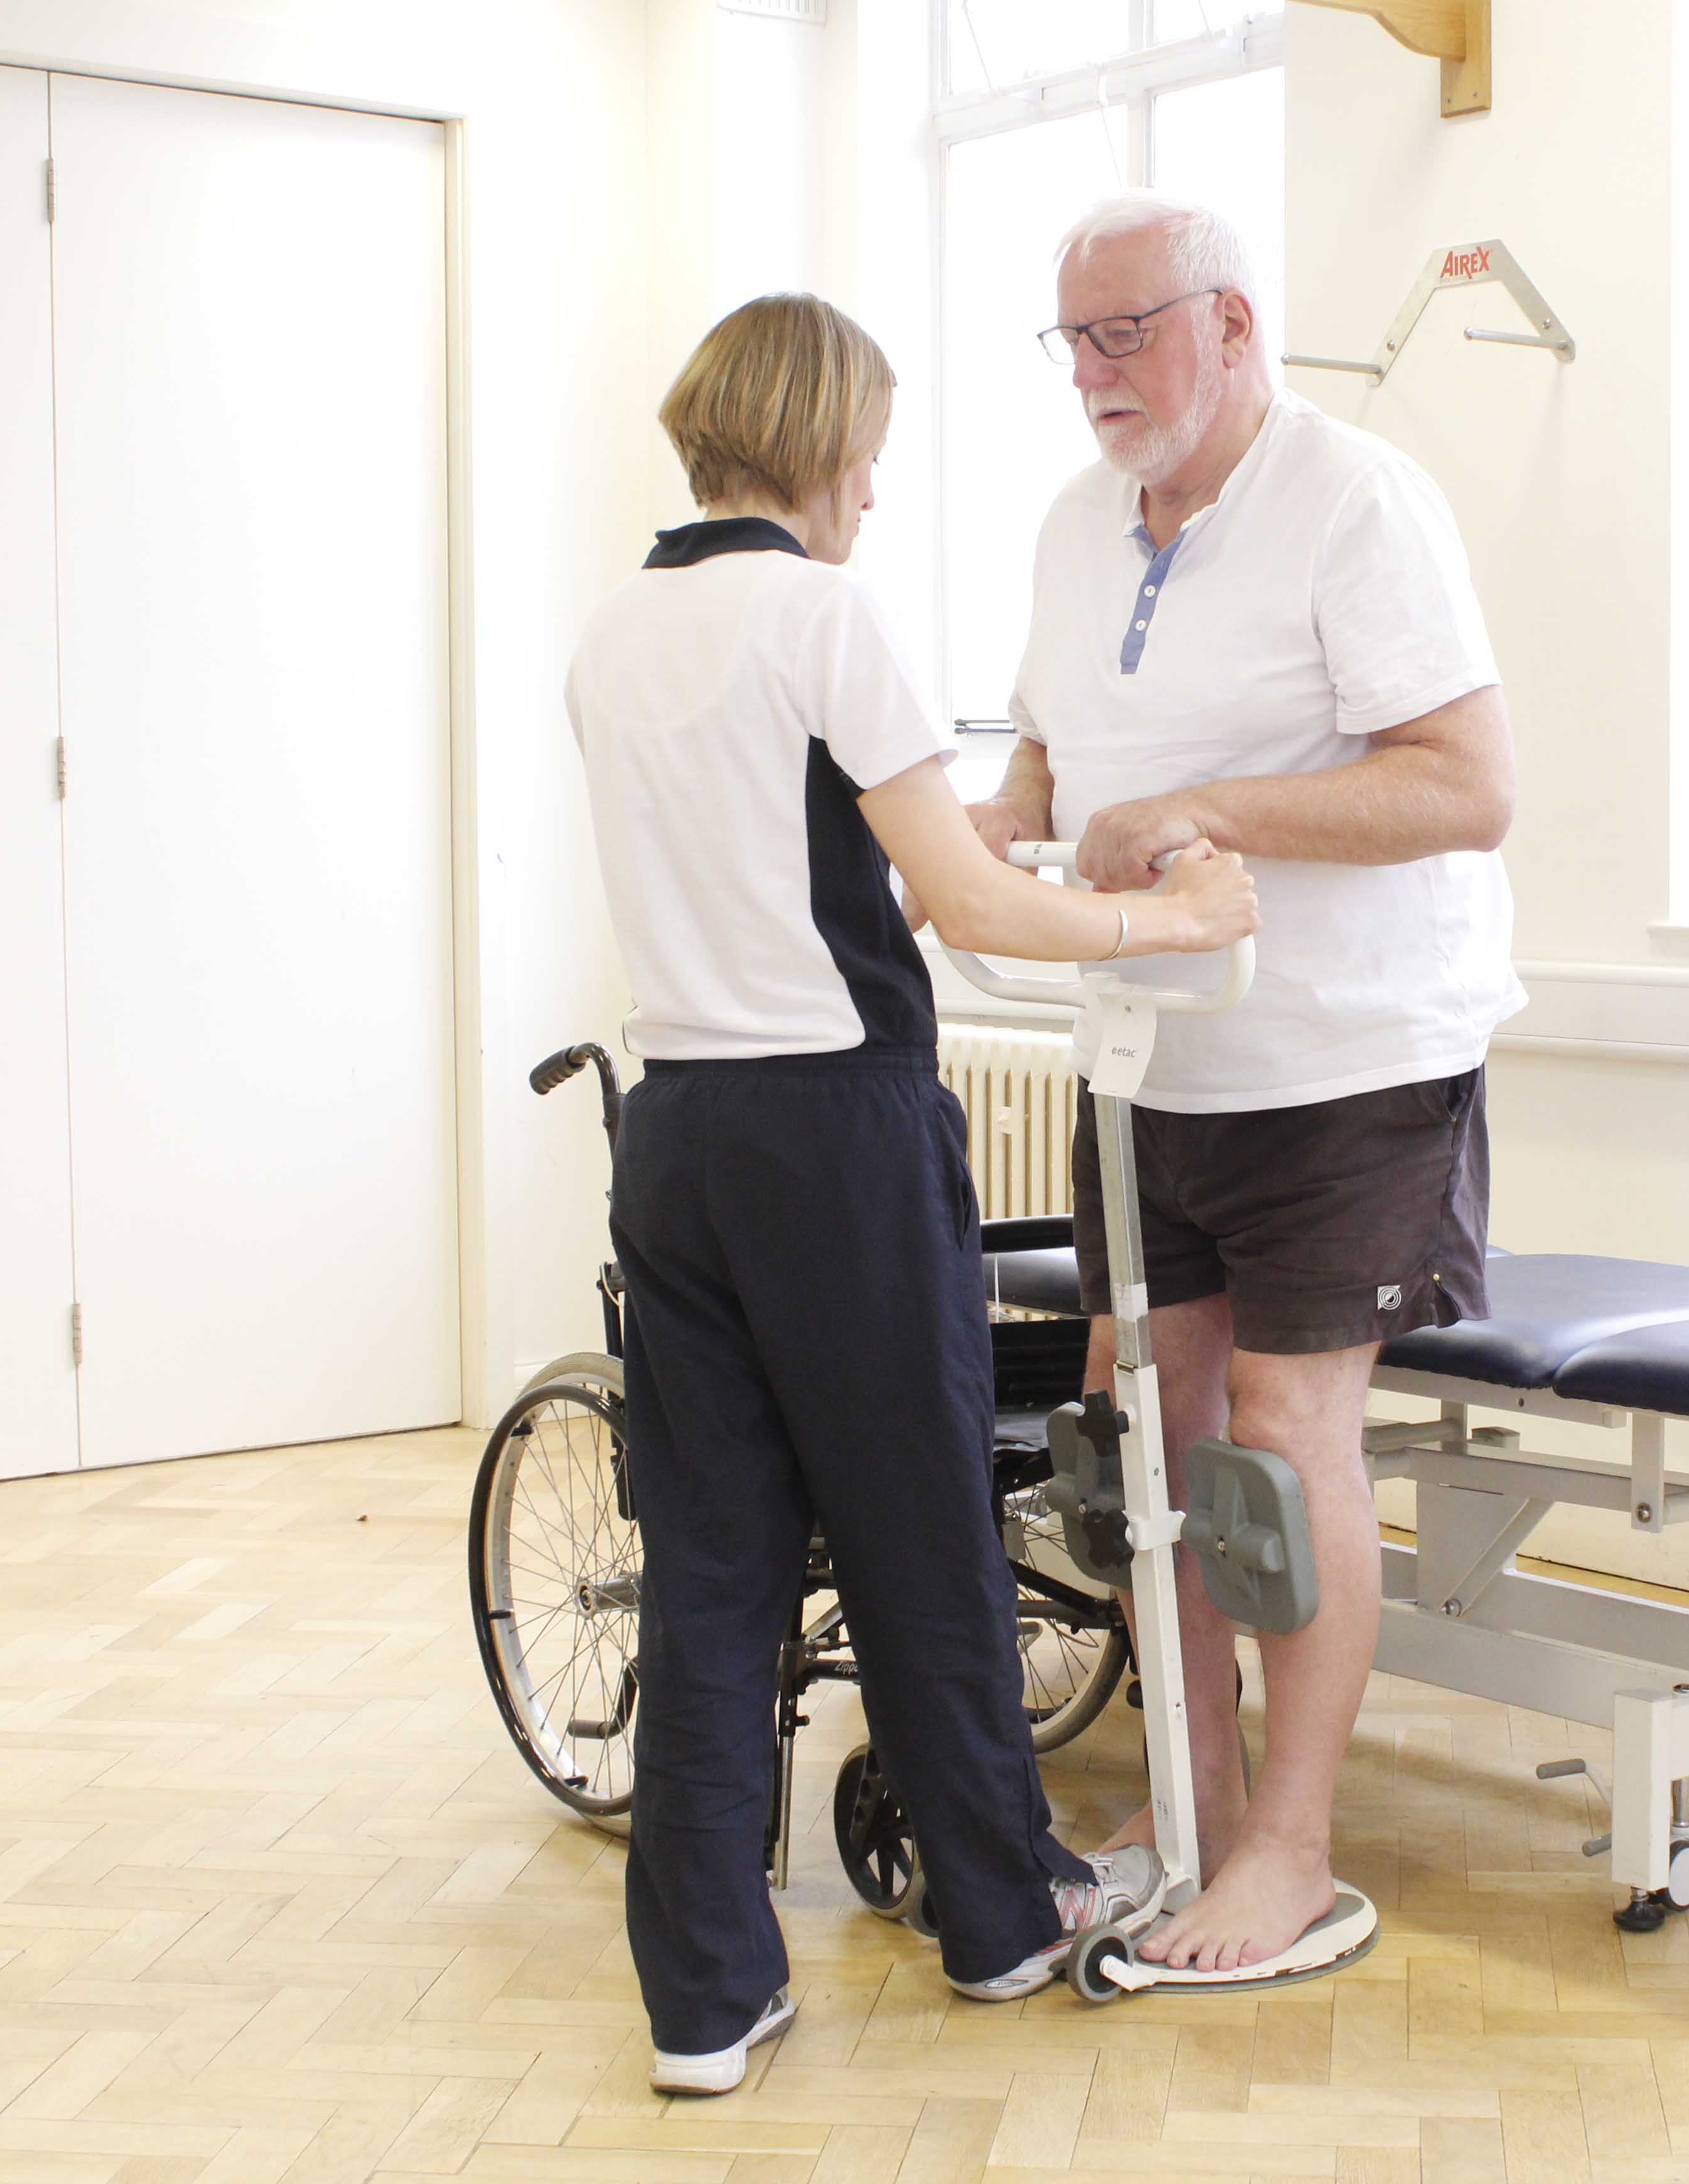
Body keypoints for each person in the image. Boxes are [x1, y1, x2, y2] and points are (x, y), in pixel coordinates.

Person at [564, 293, 1259, 2092]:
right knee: (921, 1532)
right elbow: (970, 911)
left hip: (682, 1133)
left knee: (715, 1570)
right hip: (833, 1137)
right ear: (814, 443)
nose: (877, 482)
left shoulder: (616, 631)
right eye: (868, 445)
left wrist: (966, 848)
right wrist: (1169, 919)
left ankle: (707, 2001)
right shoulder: (822, 612)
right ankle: (1005, 1911)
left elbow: (811, 861)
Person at [968, 197, 1520, 1974]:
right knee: (1152, 1434)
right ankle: (1188, 1807)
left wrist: (1214, 811)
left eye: (1122, 334)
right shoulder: (1073, 526)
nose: (1090, 376)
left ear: (1229, 322)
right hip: (1146, 1059)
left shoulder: (1356, 501)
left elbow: (1464, 786)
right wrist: (955, 839)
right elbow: (1053, 755)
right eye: (1069, 342)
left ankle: (1291, 1848)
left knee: (1279, 1452)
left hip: (1348, 1067)